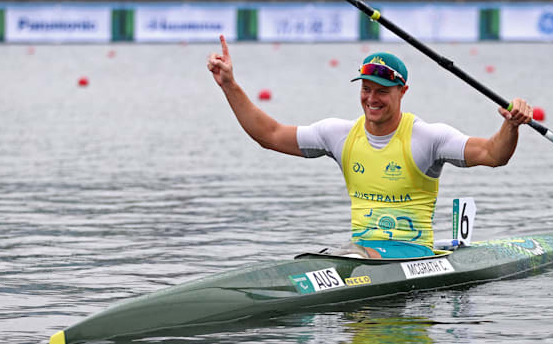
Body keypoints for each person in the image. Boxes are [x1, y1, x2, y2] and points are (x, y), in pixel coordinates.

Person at [207, 35, 533, 259]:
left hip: (412, 254)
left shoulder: (428, 137)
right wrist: (229, 85)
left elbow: (493, 155)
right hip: (361, 254)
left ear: (402, 91)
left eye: (382, 91)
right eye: (366, 89)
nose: (371, 99)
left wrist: (511, 125)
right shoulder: (338, 134)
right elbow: (270, 134)